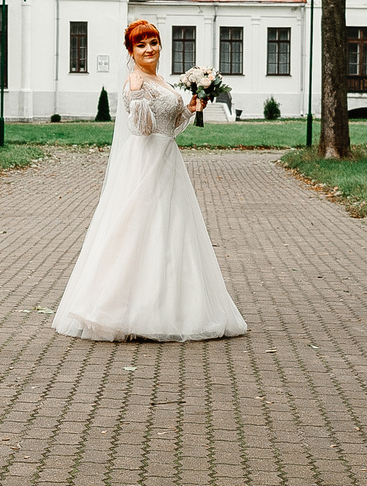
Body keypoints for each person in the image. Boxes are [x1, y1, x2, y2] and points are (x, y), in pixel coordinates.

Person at [52, 19, 249, 342]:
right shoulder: (134, 81)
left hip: (168, 158)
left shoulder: (160, 79)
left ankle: (175, 308)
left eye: (153, 42)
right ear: (131, 51)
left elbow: (170, 124)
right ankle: (120, 310)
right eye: (141, 44)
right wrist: (137, 100)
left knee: (172, 230)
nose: (149, 49)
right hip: (145, 161)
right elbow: (141, 129)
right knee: (137, 228)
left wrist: (191, 106)